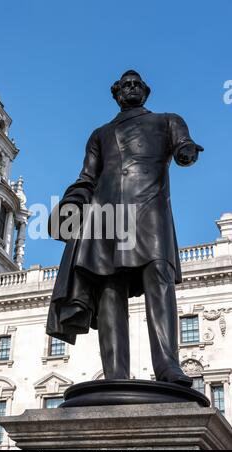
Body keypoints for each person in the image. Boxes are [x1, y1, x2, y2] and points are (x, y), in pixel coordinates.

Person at [46, 70, 203, 386]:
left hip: (150, 207)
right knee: (109, 287)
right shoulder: (100, 134)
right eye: (125, 85)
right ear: (116, 94)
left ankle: (168, 366)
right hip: (106, 214)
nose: (131, 88)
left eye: (136, 84)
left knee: (159, 274)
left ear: (145, 91)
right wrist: (70, 205)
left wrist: (186, 151)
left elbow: (184, 145)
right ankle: (115, 373)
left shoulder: (168, 120)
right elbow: (87, 177)